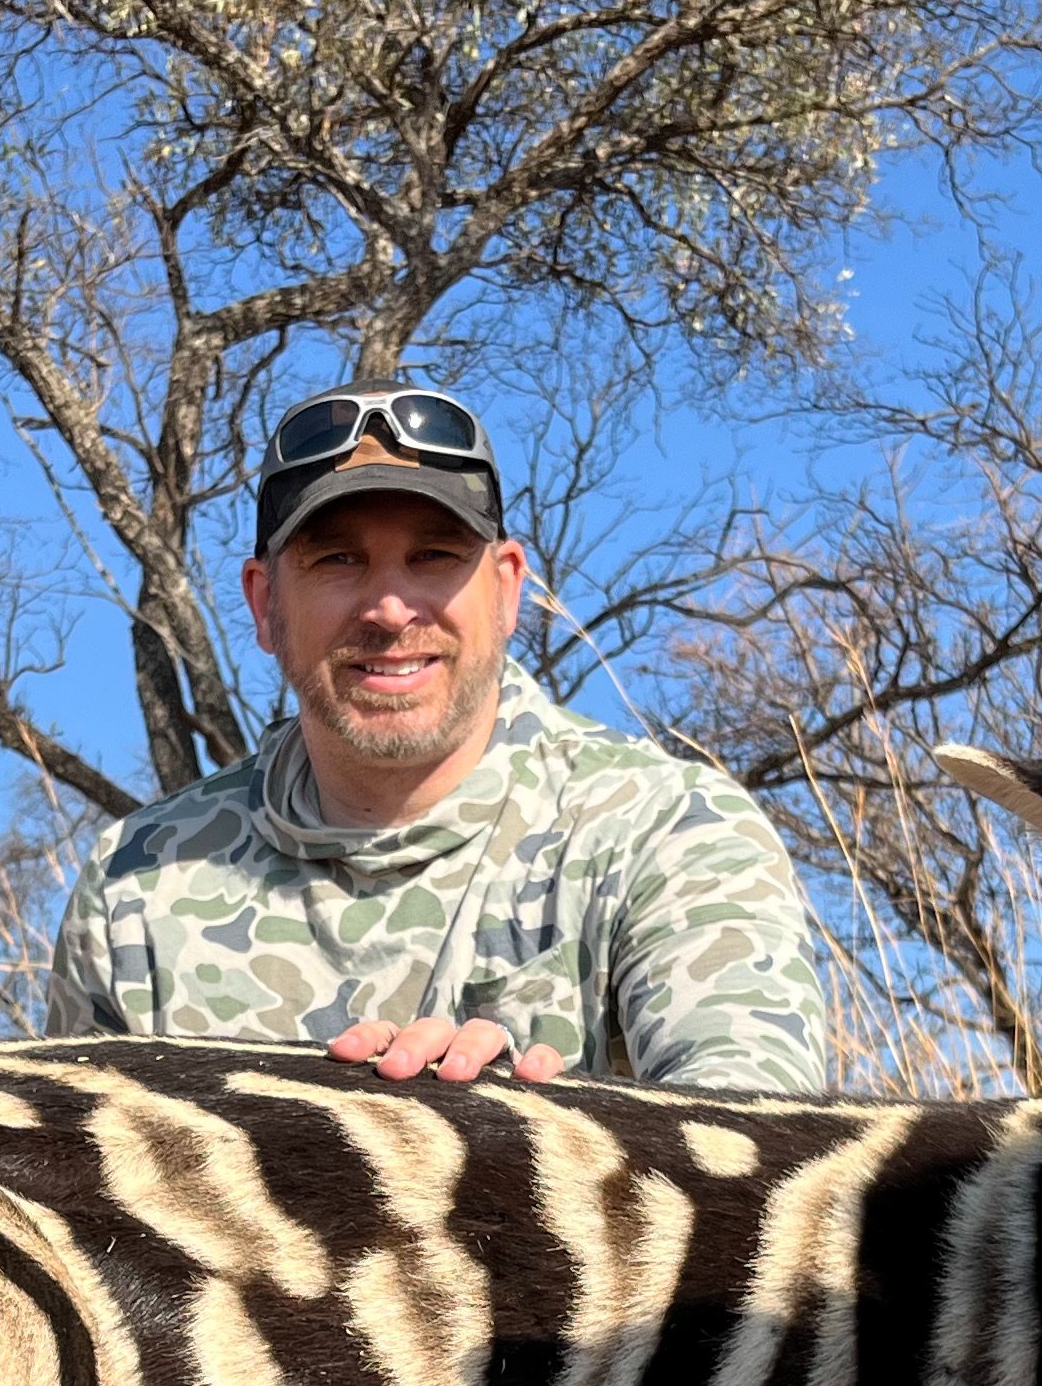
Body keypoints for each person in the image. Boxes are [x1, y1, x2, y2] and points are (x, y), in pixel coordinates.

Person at [47, 383, 827, 1092]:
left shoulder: (671, 828)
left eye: (435, 556)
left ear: (509, 586)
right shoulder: (134, 887)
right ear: (263, 603)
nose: (389, 609)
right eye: (337, 558)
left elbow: (755, 1150)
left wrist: (538, 1137)